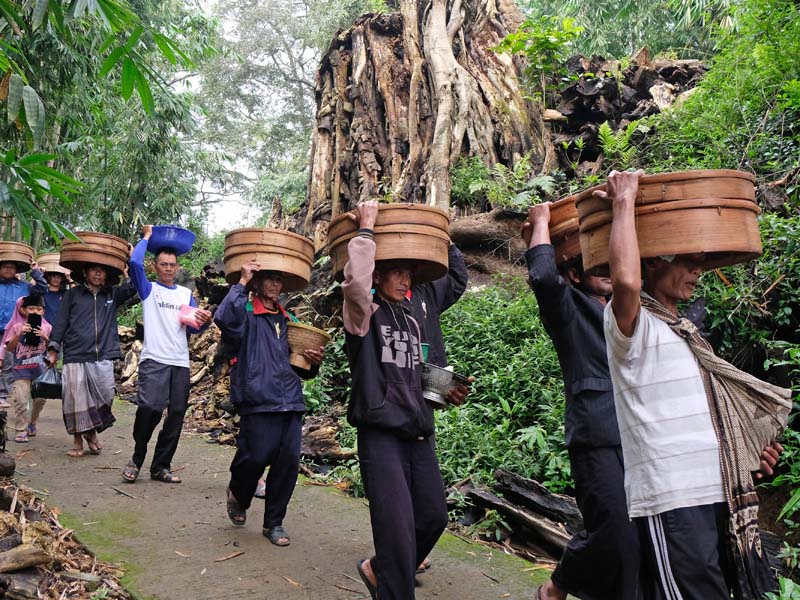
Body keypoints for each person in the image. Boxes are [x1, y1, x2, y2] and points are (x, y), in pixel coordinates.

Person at [601, 170, 790, 599]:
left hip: (717, 492)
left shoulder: (686, 334)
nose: (697, 271)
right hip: (672, 497)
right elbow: (626, 280)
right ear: (653, 261)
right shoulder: (629, 324)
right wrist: (624, 202)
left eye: (701, 261)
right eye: (687, 260)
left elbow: (710, 417)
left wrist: (746, 453)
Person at [343, 200, 463, 600]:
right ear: (378, 275)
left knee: (432, 517)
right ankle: (392, 581)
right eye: (396, 272)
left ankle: (378, 569)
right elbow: (355, 285)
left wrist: (449, 393)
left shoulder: (413, 319)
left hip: (418, 433)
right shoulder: (364, 315)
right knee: (395, 532)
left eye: (408, 273)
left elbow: (419, 376)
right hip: (381, 436)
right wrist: (366, 230)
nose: (405, 280)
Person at [522, 202, 640, 600]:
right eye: (597, 267)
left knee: (639, 536)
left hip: (641, 436)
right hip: (596, 436)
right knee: (613, 531)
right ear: (575, 273)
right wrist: (540, 223)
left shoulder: (636, 311)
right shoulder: (570, 310)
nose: (608, 273)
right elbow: (542, 276)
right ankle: (557, 586)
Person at [215, 261, 324, 546]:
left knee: (287, 464)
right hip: (257, 398)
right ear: (258, 282)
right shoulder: (246, 315)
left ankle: (273, 523)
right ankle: (239, 492)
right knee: (254, 457)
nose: (275, 286)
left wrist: (312, 361)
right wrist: (241, 282)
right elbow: (224, 318)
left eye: (279, 280)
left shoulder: (288, 321)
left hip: (290, 400)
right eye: (269, 280)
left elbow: (302, 368)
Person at [121, 225, 212, 484]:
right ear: (156, 265)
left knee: (176, 414)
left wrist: (204, 319)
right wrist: (146, 237)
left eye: (172, 264)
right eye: (163, 264)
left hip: (179, 362)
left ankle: (161, 466)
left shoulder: (185, 294)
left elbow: (195, 326)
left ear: (177, 266)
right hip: (154, 359)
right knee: (150, 407)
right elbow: (134, 262)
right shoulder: (149, 290)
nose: (169, 269)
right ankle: (138, 456)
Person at [48, 263, 136, 457]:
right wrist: (54, 349)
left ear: (106, 274)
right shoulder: (73, 294)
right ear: (85, 272)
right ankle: (78, 442)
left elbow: (131, 289)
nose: (97, 273)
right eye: (93, 269)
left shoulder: (111, 294)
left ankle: (91, 433)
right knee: (76, 401)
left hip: (103, 354)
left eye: (102, 270)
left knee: (105, 394)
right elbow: (61, 321)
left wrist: (127, 273)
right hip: (75, 353)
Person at [4, 295, 51, 443]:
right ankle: (21, 429)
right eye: (31, 309)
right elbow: (9, 347)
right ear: (23, 310)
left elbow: (54, 347)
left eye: (39, 309)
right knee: (21, 399)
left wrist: (44, 337)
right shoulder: (17, 326)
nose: (35, 312)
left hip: (40, 370)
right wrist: (19, 334)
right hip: (20, 370)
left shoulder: (48, 327)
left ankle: (32, 421)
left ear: (43, 311)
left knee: (40, 399)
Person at [0, 260, 46, 407]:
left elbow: (42, 289)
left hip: (15, 330)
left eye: (12, 267)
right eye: (5, 267)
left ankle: (2, 395)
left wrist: (36, 272)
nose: (8, 270)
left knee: (9, 363)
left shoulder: (24, 286)